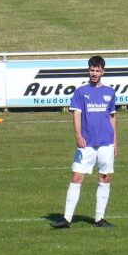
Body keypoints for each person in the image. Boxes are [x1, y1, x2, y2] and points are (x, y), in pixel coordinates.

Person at [52, 56, 118, 229]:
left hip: (106, 142)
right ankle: (66, 219)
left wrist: (115, 142)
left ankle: (99, 219)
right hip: (86, 143)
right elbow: (76, 114)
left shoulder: (110, 92)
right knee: (77, 176)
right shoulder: (81, 92)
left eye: (97, 70)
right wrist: (78, 135)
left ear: (103, 71)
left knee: (105, 177)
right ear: (88, 70)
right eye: (92, 70)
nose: (94, 73)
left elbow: (112, 117)